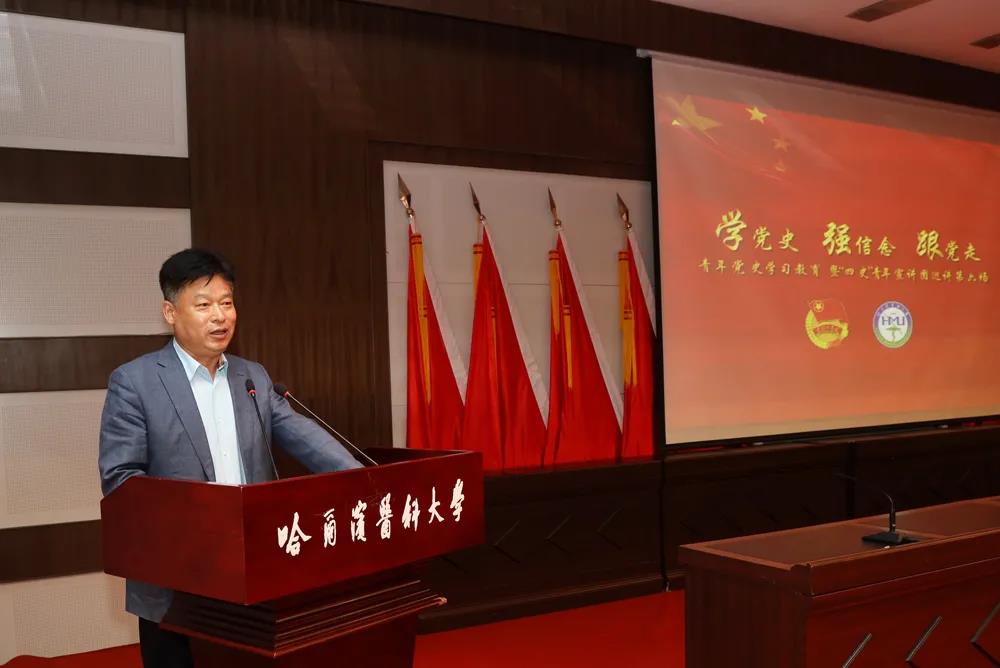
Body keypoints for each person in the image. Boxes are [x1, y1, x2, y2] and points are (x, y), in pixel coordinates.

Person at [98, 248, 362, 668]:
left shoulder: (251, 376)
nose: (220, 316)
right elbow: (121, 481)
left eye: (226, 302)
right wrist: (202, 520)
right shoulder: (135, 382)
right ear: (170, 312)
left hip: (253, 573)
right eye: (203, 305)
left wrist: (362, 478)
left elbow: (304, 437)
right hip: (176, 580)